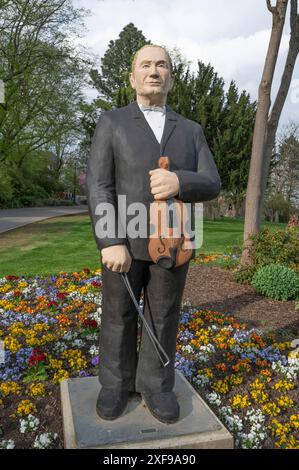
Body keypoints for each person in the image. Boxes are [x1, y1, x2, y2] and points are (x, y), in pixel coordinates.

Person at [86, 44, 221, 424]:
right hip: (123, 242)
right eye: (145, 65)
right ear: (132, 77)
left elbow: (212, 182)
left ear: (171, 78)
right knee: (118, 315)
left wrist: (180, 179)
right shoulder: (111, 123)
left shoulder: (191, 130)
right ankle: (115, 384)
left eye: (162, 65)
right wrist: (110, 239)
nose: (154, 71)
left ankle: (157, 387)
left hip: (174, 243)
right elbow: (99, 186)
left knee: (163, 315)